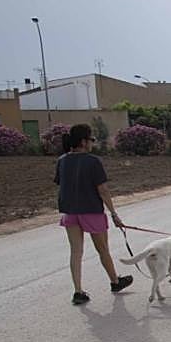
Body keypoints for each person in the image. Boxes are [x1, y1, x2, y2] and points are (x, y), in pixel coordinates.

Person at [55, 124, 132, 304]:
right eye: (91, 140)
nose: (92, 143)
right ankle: (115, 281)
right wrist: (114, 214)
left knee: (76, 252)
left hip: (70, 212)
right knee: (103, 249)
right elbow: (103, 190)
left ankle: (78, 291)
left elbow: (61, 184)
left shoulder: (62, 160)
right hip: (91, 211)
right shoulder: (93, 161)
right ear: (83, 141)